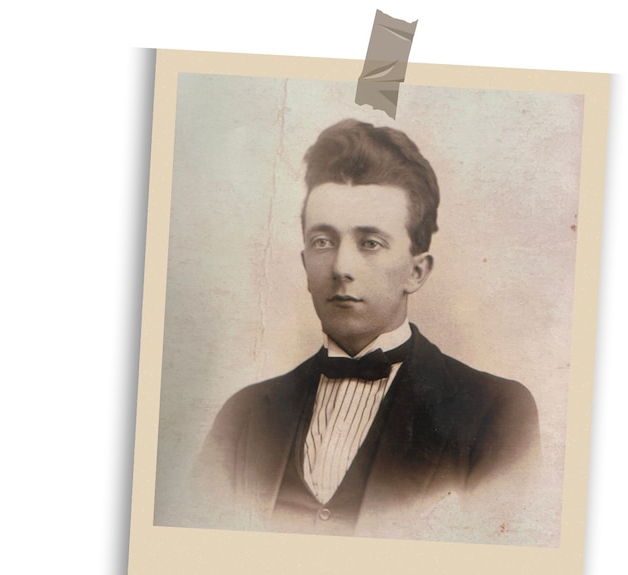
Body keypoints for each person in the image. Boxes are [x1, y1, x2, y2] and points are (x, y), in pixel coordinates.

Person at [193, 119, 541, 541]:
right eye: (323, 241)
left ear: (416, 271)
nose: (341, 268)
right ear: (305, 263)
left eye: (370, 243)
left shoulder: (495, 412)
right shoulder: (242, 417)